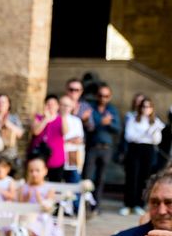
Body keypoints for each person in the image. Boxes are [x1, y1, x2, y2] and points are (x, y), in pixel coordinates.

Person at [120, 97, 165, 217]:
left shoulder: (155, 121)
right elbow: (130, 136)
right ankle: (128, 204)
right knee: (132, 176)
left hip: (148, 149)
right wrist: (145, 135)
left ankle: (139, 204)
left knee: (144, 176)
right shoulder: (133, 119)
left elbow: (156, 140)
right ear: (140, 108)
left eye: (149, 106)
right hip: (135, 148)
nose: (146, 109)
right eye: (144, 106)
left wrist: (149, 134)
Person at [83, 83, 121, 213]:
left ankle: (96, 205)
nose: (103, 98)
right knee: (88, 177)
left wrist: (108, 123)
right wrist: (101, 122)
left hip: (106, 148)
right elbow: (89, 127)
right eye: (100, 95)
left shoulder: (112, 110)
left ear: (109, 97)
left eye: (106, 96)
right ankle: (85, 205)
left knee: (100, 178)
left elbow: (117, 128)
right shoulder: (91, 108)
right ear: (96, 96)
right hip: (92, 147)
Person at [29, 94, 66, 182]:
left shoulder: (61, 119)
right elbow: (35, 131)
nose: (51, 106)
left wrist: (63, 116)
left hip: (56, 157)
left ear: (57, 106)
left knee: (55, 182)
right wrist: (45, 119)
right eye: (48, 104)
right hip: (39, 156)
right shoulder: (38, 118)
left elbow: (65, 132)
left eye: (53, 104)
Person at [0, 93, 23, 167]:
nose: (1, 104)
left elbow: (20, 134)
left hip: (11, 155)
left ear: (8, 104)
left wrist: (8, 124)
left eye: (4, 102)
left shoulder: (14, 118)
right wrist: (0, 124)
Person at [60, 94, 85, 184]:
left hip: (73, 156)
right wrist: (68, 140)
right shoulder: (55, 118)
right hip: (58, 155)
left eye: (68, 105)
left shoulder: (76, 120)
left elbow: (79, 139)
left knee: (73, 183)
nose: (65, 108)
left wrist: (66, 140)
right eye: (63, 105)